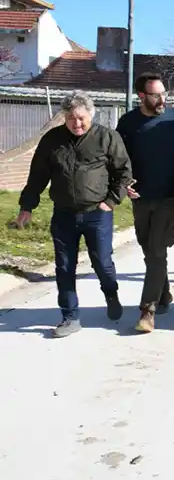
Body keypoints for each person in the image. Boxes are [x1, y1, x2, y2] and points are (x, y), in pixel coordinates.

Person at [15, 91, 132, 338]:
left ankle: (110, 292)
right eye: (70, 118)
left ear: (91, 114)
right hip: (64, 214)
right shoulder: (52, 140)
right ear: (64, 118)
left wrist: (111, 201)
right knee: (64, 266)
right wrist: (27, 206)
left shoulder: (107, 137)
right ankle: (70, 316)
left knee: (102, 262)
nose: (76, 123)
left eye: (81, 118)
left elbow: (124, 172)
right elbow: (37, 175)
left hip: (97, 213)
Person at [117, 72, 174, 333]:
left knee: (157, 249)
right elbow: (118, 159)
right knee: (150, 250)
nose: (162, 99)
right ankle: (164, 294)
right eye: (155, 95)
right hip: (140, 197)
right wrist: (124, 183)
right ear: (141, 96)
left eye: (163, 94)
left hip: (170, 196)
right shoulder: (127, 123)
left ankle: (147, 311)